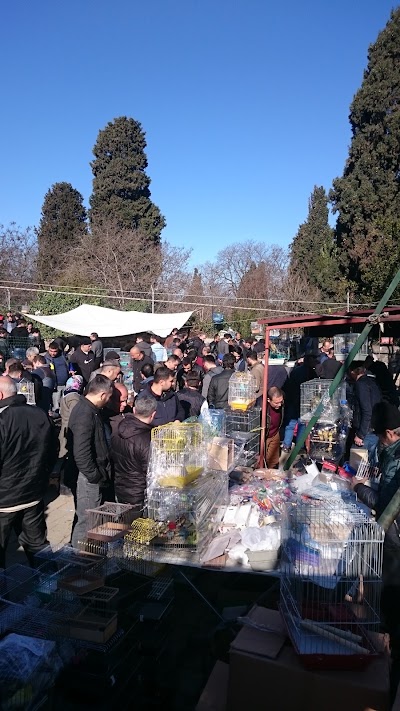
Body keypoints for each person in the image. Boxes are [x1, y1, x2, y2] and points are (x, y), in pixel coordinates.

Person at [352, 402, 400, 684]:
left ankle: (390, 651)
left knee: (393, 594)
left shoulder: (397, 460)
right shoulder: (390, 451)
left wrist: (357, 488)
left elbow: (384, 506)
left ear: (390, 434)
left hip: (394, 538)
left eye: (380, 436)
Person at [0, 376, 57, 567]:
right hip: (33, 493)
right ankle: (50, 590)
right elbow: (52, 453)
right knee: (38, 547)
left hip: (5, 500)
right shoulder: (40, 414)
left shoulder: (2, 420)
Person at [68, 375, 114, 547]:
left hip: (93, 474)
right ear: (102, 395)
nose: (109, 401)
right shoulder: (85, 413)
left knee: (91, 519)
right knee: (87, 521)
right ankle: (80, 559)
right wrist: (94, 475)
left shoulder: (90, 410)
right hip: (88, 478)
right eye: (109, 397)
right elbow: (81, 452)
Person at [111, 395, 157, 514]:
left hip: (120, 488)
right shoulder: (147, 440)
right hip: (139, 494)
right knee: (138, 529)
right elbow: (151, 472)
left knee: (125, 526)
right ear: (153, 415)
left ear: (134, 410)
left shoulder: (117, 429)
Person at [282, 354, 317, 452]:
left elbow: (288, 384)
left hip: (293, 400)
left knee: (291, 424)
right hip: (304, 402)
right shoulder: (312, 373)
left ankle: (286, 444)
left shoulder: (296, 371)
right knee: (301, 424)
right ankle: (299, 446)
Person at [348, 361, 382, 460]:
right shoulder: (372, 382)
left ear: (352, 372)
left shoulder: (361, 385)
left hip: (366, 431)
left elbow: (367, 410)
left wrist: (360, 434)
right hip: (374, 429)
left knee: (356, 464)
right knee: (370, 466)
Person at [58, 375, 84, 463]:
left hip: (64, 425)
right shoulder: (74, 397)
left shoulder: (66, 393)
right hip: (70, 428)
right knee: (67, 452)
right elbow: (75, 414)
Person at [44, 341, 69, 411]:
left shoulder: (63, 356)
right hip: (55, 384)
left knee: (64, 404)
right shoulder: (46, 358)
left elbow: (68, 364)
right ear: (48, 349)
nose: (53, 353)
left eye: (55, 351)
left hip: (65, 383)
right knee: (56, 405)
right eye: (51, 351)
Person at [265, 387, 285, 468]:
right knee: (263, 460)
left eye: (281, 402)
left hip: (275, 433)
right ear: (268, 400)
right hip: (265, 436)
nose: (279, 405)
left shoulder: (281, 404)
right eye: (276, 403)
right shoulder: (262, 408)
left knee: (273, 460)